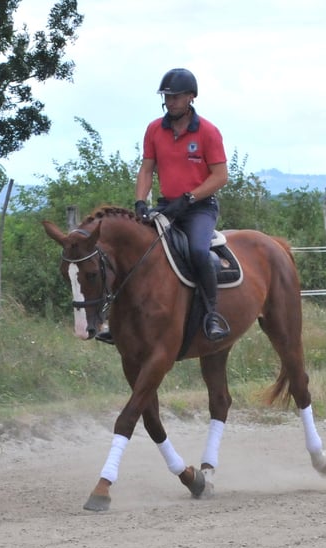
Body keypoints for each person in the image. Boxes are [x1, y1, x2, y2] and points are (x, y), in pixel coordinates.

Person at [96, 67, 230, 344]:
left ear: (191, 97)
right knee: (133, 251)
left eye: (176, 97)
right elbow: (147, 169)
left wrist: (190, 198)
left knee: (196, 251)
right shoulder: (155, 129)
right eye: (166, 97)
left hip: (199, 208)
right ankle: (118, 320)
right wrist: (140, 201)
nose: (170, 102)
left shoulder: (208, 132)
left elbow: (220, 176)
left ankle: (212, 315)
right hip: (166, 207)